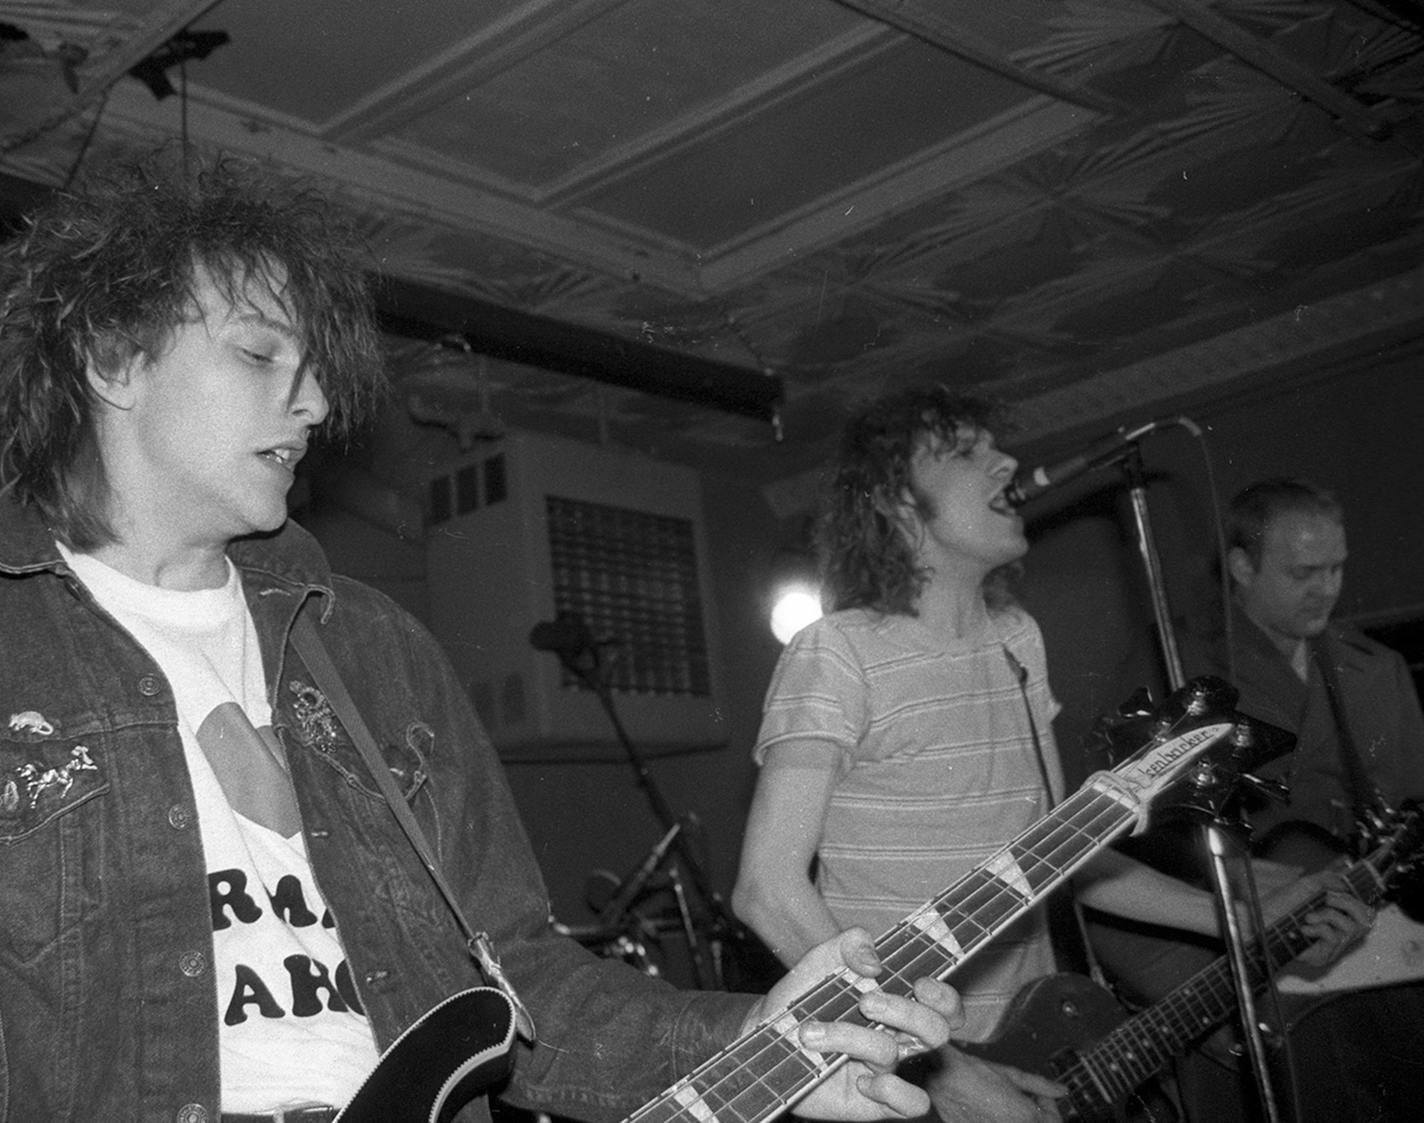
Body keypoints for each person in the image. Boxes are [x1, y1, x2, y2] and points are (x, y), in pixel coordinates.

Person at [0, 153, 969, 1123]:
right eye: (260, 356)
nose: (316, 406)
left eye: (312, 372)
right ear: (114, 358)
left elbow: (523, 984)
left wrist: (759, 1034)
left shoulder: (375, 651)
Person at [731, 390, 1369, 1122]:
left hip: (1022, 1045)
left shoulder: (1017, 640)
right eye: (966, 451)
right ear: (897, 503)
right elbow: (768, 890)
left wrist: (1237, 911)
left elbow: (1059, 857)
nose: (1005, 460)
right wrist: (937, 1068)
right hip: (904, 1077)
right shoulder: (837, 650)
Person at [1093, 477, 1424, 1121]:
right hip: (1248, 964)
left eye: (1336, 567)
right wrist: (1261, 891)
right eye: (1303, 571)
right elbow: (1123, 831)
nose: (1326, 588)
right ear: (1242, 567)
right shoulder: (1175, 665)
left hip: (1376, 949)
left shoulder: (1373, 667)